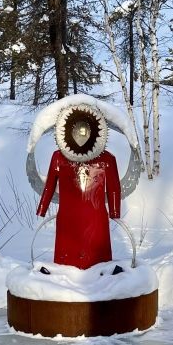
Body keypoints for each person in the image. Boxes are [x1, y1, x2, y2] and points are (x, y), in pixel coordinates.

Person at [36, 102, 121, 269]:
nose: (82, 134)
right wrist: (42, 208)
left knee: (97, 262)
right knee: (67, 262)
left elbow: (114, 187)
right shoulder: (58, 157)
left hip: (95, 218)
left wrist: (115, 211)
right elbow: (50, 184)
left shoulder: (107, 159)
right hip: (68, 217)